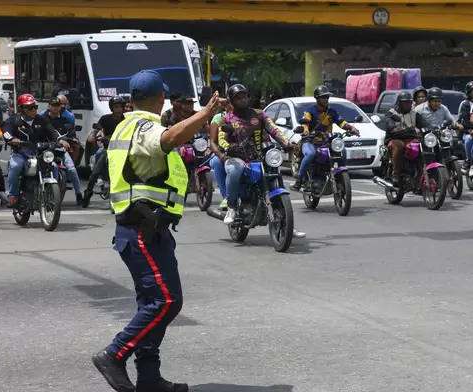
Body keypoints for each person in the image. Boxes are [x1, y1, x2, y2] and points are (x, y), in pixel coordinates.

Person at [91, 69, 227, 392]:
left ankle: (149, 378)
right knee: (166, 301)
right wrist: (205, 115)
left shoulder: (124, 125)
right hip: (142, 230)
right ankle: (114, 354)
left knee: (151, 302)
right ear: (160, 98)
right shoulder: (145, 127)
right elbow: (168, 140)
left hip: (142, 228)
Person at [216, 84, 290, 224]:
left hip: (259, 157)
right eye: (238, 98)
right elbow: (221, 139)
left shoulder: (260, 114)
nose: (242, 100)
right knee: (234, 170)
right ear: (231, 101)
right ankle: (231, 207)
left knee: (275, 172)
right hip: (236, 157)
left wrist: (287, 143)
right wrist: (230, 147)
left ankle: (288, 222)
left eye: (244, 97)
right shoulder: (226, 119)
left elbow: (273, 129)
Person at [2, 94, 69, 206]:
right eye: (30, 108)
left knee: (53, 167)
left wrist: (60, 140)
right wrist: (12, 139)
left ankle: (52, 196)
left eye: (35, 107)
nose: (34, 110)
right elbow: (6, 131)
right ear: (22, 108)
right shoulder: (14, 120)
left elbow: (52, 131)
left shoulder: (41, 119)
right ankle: (13, 196)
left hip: (40, 153)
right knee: (15, 166)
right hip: (21, 153)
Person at [290, 85, 359, 191]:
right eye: (323, 97)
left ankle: (341, 177)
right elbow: (305, 122)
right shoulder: (310, 111)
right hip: (310, 141)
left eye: (327, 97)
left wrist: (351, 128)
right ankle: (299, 181)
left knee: (343, 151)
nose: (326, 99)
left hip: (326, 142)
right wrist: (305, 131)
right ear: (317, 98)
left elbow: (341, 122)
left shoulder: (332, 112)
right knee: (310, 154)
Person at [81, 95, 127, 207]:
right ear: (112, 108)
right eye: (116, 107)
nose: (118, 109)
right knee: (95, 173)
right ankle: (87, 193)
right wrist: (92, 135)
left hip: (123, 151)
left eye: (120, 107)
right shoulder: (105, 118)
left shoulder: (126, 120)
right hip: (108, 150)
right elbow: (97, 128)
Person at [42, 96, 83, 204]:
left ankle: (79, 193)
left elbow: (71, 134)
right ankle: (50, 193)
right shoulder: (42, 119)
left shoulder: (65, 120)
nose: (55, 108)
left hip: (60, 149)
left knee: (72, 169)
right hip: (47, 149)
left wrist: (74, 140)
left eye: (57, 106)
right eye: (53, 105)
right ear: (49, 106)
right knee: (52, 167)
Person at [384, 91, 430, 186]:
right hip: (395, 138)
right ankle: (395, 173)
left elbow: (424, 123)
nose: (407, 105)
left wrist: (430, 129)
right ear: (399, 103)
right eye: (404, 103)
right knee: (399, 146)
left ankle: (419, 172)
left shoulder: (414, 113)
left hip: (411, 138)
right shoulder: (392, 112)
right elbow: (388, 121)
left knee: (423, 145)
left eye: (409, 102)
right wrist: (392, 126)